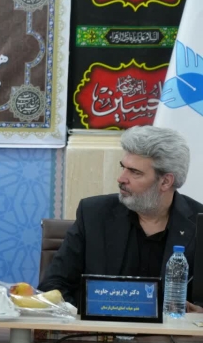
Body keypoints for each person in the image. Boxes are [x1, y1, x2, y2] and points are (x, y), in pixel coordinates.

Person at [39, 126, 203, 309]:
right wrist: (81, 316)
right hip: (100, 326)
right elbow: (53, 285)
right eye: (123, 167)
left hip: (173, 327)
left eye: (135, 172)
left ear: (165, 181)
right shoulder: (94, 214)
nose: (121, 178)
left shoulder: (199, 224)